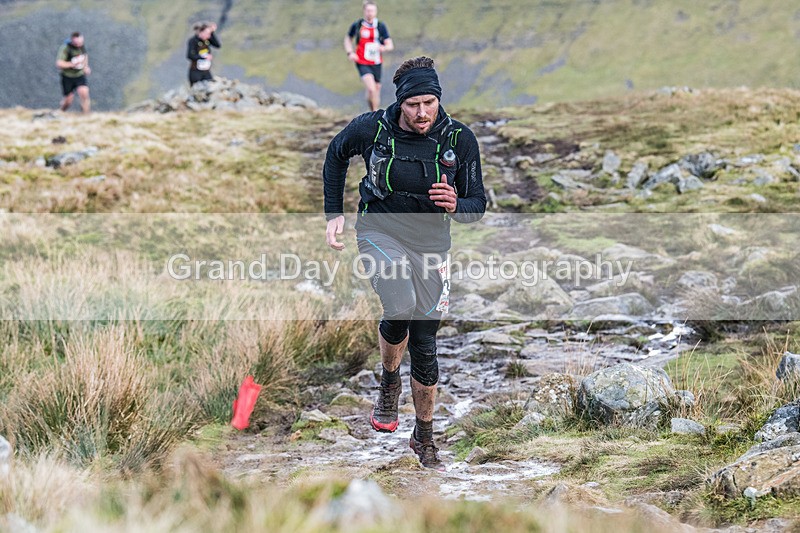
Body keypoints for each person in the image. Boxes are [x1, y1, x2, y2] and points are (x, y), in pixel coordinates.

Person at [323, 57, 486, 469]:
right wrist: (333, 212)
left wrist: (457, 204)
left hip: (432, 244)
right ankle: (390, 379)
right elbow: (336, 153)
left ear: (438, 100)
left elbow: (477, 204)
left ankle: (425, 437)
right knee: (399, 304)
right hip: (380, 231)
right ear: (401, 103)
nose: (421, 113)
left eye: (428, 102)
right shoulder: (373, 128)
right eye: (413, 104)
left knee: (426, 343)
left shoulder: (458, 139)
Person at [344, 1, 393, 111]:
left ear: (376, 12)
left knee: (376, 89)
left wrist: (383, 48)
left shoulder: (380, 26)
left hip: (376, 62)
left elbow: (390, 45)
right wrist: (350, 52)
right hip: (361, 61)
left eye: (372, 11)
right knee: (371, 89)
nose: (370, 13)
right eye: (368, 10)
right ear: (364, 11)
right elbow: (348, 39)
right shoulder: (357, 25)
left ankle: (372, 112)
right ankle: (375, 114)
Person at [56, 32, 91, 113]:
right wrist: (72, 64)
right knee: (68, 100)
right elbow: (59, 63)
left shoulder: (82, 47)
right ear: (72, 41)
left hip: (79, 75)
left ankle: (86, 115)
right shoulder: (66, 48)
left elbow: (85, 56)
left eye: (81, 43)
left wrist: (86, 67)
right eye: (77, 43)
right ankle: (60, 113)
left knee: (84, 92)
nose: (79, 45)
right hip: (68, 76)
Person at [187, 22, 221, 86]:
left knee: (210, 86)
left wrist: (212, 32)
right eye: (207, 34)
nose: (209, 36)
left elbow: (217, 45)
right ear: (201, 32)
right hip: (195, 72)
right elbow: (190, 55)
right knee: (197, 90)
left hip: (206, 71)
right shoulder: (193, 41)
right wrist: (203, 57)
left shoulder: (206, 40)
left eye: (210, 34)